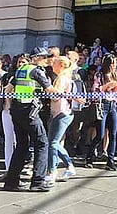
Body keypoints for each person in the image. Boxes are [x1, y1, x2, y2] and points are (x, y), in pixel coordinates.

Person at [3, 47, 57, 192]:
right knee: (42, 143)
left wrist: (10, 106)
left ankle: (11, 182)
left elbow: (7, 89)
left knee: (22, 145)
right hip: (29, 112)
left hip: (17, 111)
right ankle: (38, 182)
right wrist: (66, 94)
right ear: (37, 58)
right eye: (44, 57)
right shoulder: (36, 71)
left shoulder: (21, 69)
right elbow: (50, 90)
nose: (46, 60)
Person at [85, 54, 117, 170]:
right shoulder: (99, 75)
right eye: (111, 64)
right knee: (100, 135)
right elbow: (95, 90)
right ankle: (89, 157)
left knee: (113, 134)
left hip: (113, 105)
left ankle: (111, 160)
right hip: (102, 104)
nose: (113, 66)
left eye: (114, 64)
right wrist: (106, 86)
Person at [46, 56, 77, 184]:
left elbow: (55, 96)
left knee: (53, 143)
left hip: (61, 113)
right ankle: (68, 166)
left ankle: (53, 171)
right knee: (54, 142)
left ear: (61, 65)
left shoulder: (61, 79)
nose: (52, 63)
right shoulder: (66, 78)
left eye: (55, 62)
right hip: (64, 113)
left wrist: (47, 89)